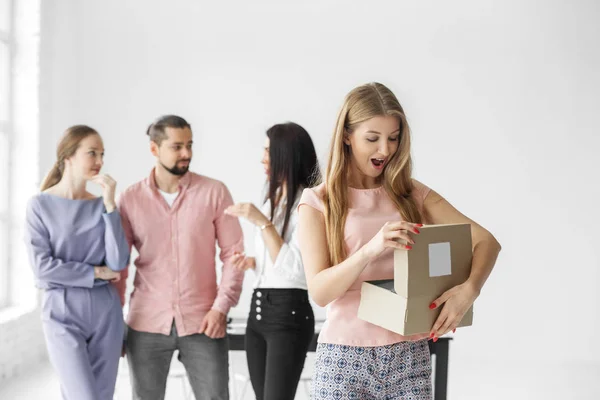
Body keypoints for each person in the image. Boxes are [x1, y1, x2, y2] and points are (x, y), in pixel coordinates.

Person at [297, 82, 502, 399]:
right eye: (372, 138)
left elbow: (486, 241)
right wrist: (370, 250)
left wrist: (469, 290)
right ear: (347, 137)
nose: (385, 150)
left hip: (410, 355)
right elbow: (320, 292)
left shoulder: (412, 193)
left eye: (393, 138)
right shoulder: (318, 202)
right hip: (342, 358)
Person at [114, 115, 244, 400]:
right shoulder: (130, 199)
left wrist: (221, 308)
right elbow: (119, 267)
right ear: (154, 149)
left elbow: (234, 255)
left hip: (204, 321)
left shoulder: (215, 192)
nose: (186, 154)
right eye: (176, 147)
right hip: (145, 322)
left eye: (189, 145)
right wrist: (114, 322)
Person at [24, 125, 129, 400]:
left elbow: (117, 261)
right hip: (61, 310)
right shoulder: (40, 205)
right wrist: (95, 271)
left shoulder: (101, 206)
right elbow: (42, 269)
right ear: (68, 156)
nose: (99, 161)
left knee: (102, 395)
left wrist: (109, 206)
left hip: (106, 310)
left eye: (102, 154)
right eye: (92, 153)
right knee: (83, 395)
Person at [225, 122, 320, 400]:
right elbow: (277, 261)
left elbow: (297, 270)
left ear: (286, 155)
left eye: (269, 151)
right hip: (259, 311)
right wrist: (254, 263)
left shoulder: (310, 202)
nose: (263, 158)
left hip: (288, 312)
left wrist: (262, 223)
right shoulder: (273, 199)